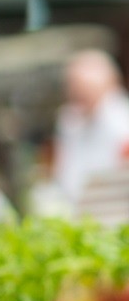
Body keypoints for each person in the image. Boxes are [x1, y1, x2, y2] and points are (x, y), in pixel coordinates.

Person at [53, 48, 129, 207]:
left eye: (84, 90)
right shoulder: (69, 120)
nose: (77, 95)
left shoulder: (121, 120)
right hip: (76, 207)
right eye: (73, 89)